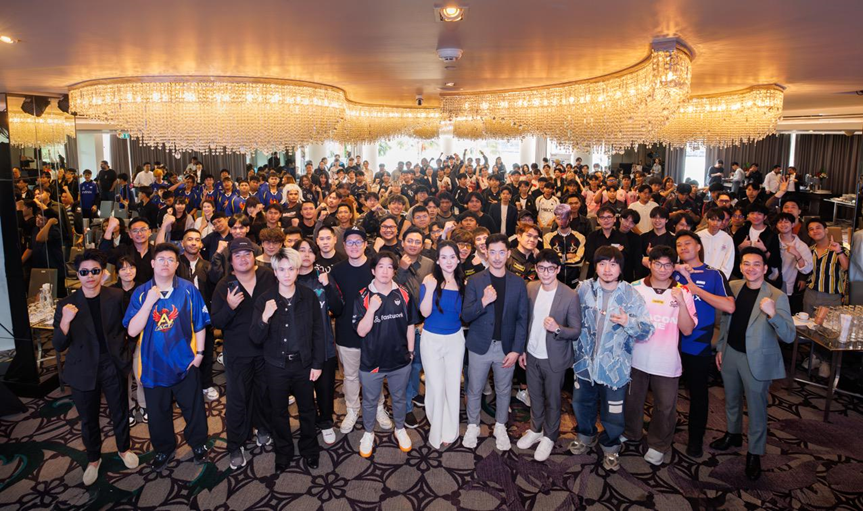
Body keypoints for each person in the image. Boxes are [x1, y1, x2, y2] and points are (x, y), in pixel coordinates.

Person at [53, 250, 139, 486]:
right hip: (82, 367)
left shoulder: (116, 296)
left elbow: (130, 327)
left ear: (102, 273)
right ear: (77, 274)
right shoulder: (67, 304)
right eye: (84, 272)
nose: (89, 276)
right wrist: (65, 321)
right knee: (88, 418)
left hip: (112, 363)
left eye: (94, 271)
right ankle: (93, 459)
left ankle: (124, 449)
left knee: (120, 410)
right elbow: (58, 345)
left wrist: (126, 353)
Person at [123, 243, 211, 473]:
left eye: (170, 260)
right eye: (161, 259)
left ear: (176, 264)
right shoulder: (141, 293)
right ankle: (164, 449)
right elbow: (132, 330)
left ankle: (199, 444)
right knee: (157, 412)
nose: (165, 263)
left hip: (185, 362)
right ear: (153, 263)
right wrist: (149, 303)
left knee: (193, 408)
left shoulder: (188, 289)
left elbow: (200, 324)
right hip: (153, 366)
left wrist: (200, 354)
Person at [711, 247, 795, 481]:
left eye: (756, 264)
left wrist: (773, 314)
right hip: (731, 353)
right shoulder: (734, 287)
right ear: (740, 267)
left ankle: (755, 452)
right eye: (746, 264)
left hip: (757, 359)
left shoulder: (777, 296)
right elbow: (726, 320)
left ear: (765, 268)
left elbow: (789, 335)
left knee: (756, 409)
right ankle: (733, 434)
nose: (751, 268)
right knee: (731, 400)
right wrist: (721, 347)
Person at [570, 246, 654, 472]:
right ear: (595, 266)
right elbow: (570, 317)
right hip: (584, 362)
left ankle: (611, 445)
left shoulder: (631, 294)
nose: (607, 269)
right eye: (602, 264)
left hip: (615, 367)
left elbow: (647, 330)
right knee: (581, 403)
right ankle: (585, 435)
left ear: (620, 268)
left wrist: (628, 322)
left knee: (614, 410)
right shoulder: (583, 289)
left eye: (613, 264)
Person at [250, 248, 324, 471]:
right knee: (278, 411)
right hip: (276, 365)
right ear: (275, 272)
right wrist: (264, 317)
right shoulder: (265, 299)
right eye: (281, 269)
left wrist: (317, 363)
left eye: (291, 269)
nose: (286, 274)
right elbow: (255, 337)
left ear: (298, 270)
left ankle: (310, 449)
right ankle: (283, 451)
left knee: (308, 409)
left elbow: (318, 332)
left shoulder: (308, 296)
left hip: (303, 363)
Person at [623, 245, 697, 466]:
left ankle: (658, 444)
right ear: (650, 264)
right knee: (632, 400)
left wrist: (681, 302)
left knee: (665, 406)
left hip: (666, 359)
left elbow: (687, 330)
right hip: (637, 357)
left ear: (674, 267)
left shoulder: (683, 292)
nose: (663, 269)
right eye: (658, 264)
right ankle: (631, 431)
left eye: (667, 265)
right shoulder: (635, 288)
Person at [210, 237, 278, 469]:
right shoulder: (224, 285)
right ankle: (235, 444)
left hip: (266, 348)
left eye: (247, 254)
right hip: (238, 353)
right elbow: (216, 321)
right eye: (237, 255)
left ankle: (263, 428)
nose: (243, 259)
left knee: (264, 393)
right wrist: (229, 307)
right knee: (238, 399)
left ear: (254, 256)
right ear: (231, 260)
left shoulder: (268, 276)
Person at [461, 234, 529, 451]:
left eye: (501, 252)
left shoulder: (518, 283)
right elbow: (466, 315)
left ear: (508, 254)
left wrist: (517, 350)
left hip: (506, 348)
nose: (497, 257)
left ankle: (500, 426)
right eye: (492, 252)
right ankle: (473, 425)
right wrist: (483, 301)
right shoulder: (475, 280)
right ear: (486, 253)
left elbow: (522, 319)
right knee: (474, 389)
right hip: (479, 345)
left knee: (503, 389)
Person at [672, 231, 735, 457]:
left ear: (699, 246)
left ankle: (695, 439)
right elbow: (648, 262)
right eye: (679, 244)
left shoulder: (713, 275)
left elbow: (729, 306)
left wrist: (697, 291)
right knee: (666, 390)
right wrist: (676, 268)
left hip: (697, 344)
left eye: (688, 243)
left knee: (697, 394)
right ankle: (665, 427)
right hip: (669, 342)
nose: (683, 247)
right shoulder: (672, 272)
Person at [516, 249, 582, 462]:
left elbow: (576, 331)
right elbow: (525, 321)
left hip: (554, 357)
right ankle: (536, 429)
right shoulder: (531, 288)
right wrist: (523, 349)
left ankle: (550, 436)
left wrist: (557, 328)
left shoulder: (570, 295)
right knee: (534, 396)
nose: (546, 273)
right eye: (542, 268)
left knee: (553, 400)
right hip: (532, 353)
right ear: (536, 269)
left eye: (551, 269)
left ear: (558, 269)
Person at [353, 251, 419, 457]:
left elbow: (410, 325)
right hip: (372, 361)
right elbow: (361, 331)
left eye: (390, 267)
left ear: (394, 271)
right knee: (370, 401)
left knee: (399, 398)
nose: (385, 271)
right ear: (373, 270)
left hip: (400, 360)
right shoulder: (363, 295)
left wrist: (410, 351)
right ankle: (368, 433)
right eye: (381, 266)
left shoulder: (404, 293)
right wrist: (372, 309)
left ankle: (400, 428)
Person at [329, 228, 393, 433]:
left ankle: (379, 407)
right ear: (344, 245)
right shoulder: (336, 270)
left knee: (375, 374)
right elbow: (335, 303)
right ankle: (352, 409)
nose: (354, 246)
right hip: (346, 331)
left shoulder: (375, 267)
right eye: (350, 242)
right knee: (350, 376)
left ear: (366, 244)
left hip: (375, 332)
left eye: (358, 242)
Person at [417, 241, 465, 449]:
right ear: (437, 260)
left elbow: (463, 313)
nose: (448, 261)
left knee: (452, 385)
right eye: (444, 257)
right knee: (435, 386)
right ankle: (436, 430)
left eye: (452, 257)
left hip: (455, 339)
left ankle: (451, 430)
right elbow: (425, 312)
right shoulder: (430, 280)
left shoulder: (463, 282)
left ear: (458, 259)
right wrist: (430, 290)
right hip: (432, 339)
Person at [296, 239, 343, 445]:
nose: (306, 255)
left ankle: (326, 421)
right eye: (301, 250)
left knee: (325, 388)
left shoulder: (323, 277)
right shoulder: (288, 279)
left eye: (310, 251)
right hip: (297, 348)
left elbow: (338, 308)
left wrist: (328, 286)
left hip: (323, 345)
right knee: (303, 390)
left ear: (316, 256)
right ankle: (307, 423)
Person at [394, 228, 435, 428]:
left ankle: (413, 393)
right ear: (402, 242)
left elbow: (434, 293)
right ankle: (406, 407)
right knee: (405, 366)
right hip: (400, 324)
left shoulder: (429, 264)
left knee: (418, 364)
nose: (413, 245)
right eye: (409, 240)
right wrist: (401, 269)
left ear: (423, 244)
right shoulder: (394, 263)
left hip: (423, 323)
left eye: (417, 241)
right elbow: (390, 288)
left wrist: (427, 321)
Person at [804, 219, 850, 316]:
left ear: (826, 230)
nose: (815, 231)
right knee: (806, 323)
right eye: (811, 229)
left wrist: (838, 251)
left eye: (818, 228)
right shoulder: (809, 251)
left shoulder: (841, 249)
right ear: (809, 234)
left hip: (831, 297)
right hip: (810, 293)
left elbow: (847, 267)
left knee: (829, 324)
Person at [543, 204, 586, 288]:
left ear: (570, 218)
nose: (561, 221)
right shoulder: (548, 237)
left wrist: (558, 258)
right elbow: (549, 259)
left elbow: (579, 261)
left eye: (564, 218)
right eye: (558, 218)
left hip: (573, 280)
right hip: (554, 280)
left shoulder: (580, 237)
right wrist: (566, 257)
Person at [697, 208, 735, 279]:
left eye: (718, 220)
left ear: (722, 222)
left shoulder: (727, 239)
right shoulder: (698, 236)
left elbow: (728, 261)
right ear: (707, 220)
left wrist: (722, 278)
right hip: (698, 274)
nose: (715, 223)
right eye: (712, 219)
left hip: (718, 277)